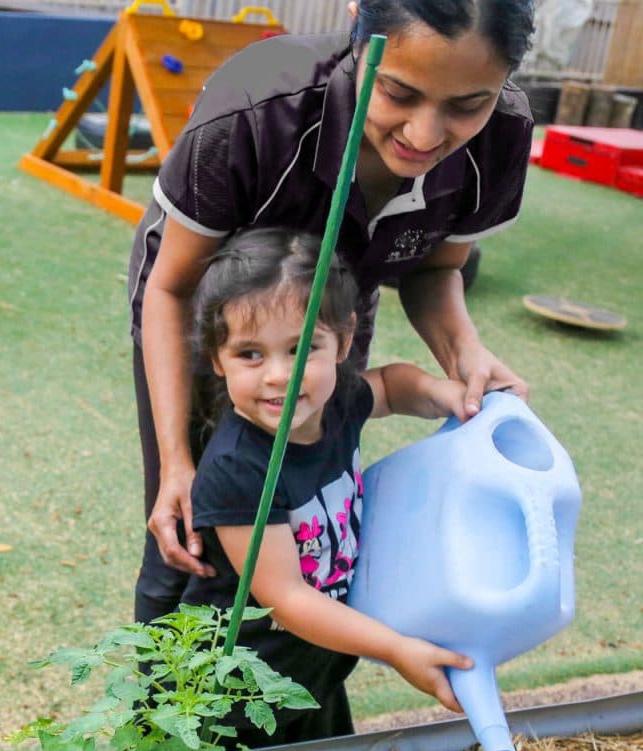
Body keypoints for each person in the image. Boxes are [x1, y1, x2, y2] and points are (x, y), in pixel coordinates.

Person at [130, 0, 536, 625]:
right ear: (358, 28)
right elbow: (172, 289)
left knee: (315, 496)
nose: (425, 135)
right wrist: (176, 461)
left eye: (466, 105)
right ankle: (164, 705)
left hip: (343, 296)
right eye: (399, 92)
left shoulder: (505, 131)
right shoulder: (258, 108)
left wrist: (466, 355)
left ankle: (301, 677)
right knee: (195, 518)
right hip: (203, 306)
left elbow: (435, 268)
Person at [180, 228, 472, 746]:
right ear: (215, 359)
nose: (280, 376)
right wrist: (396, 648)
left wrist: (442, 394)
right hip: (243, 696)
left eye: (302, 348)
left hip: (316, 666)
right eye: (250, 354)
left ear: (344, 340)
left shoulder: (335, 405)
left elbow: (388, 385)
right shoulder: (235, 469)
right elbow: (287, 600)